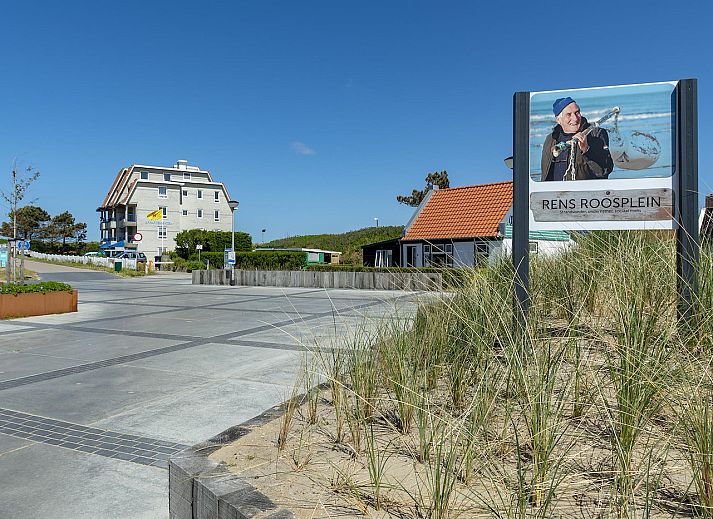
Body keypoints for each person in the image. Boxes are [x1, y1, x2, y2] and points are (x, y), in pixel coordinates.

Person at [541, 97, 613, 181]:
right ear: (558, 120)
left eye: (577, 112)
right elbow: (545, 174)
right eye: (568, 114)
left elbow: (604, 171)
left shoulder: (596, 133)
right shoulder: (551, 139)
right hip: (556, 192)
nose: (575, 118)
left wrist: (586, 150)